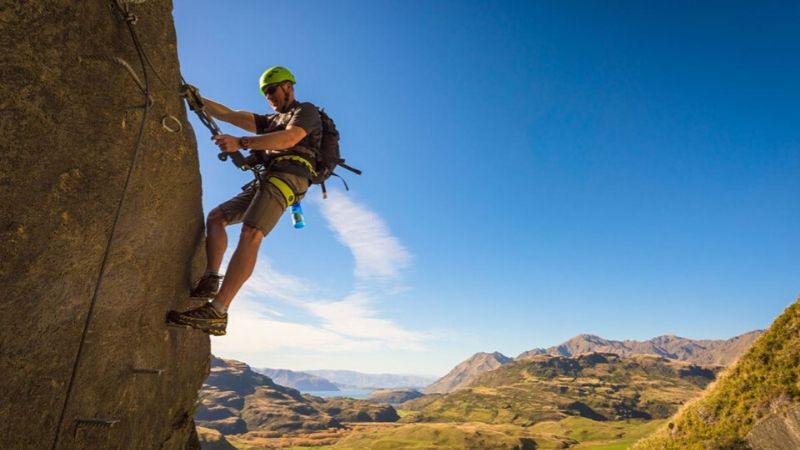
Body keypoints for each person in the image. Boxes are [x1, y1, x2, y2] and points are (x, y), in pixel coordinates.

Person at [169, 66, 322, 336]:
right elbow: (230, 115)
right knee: (217, 217)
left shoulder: (305, 111)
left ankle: (218, 311)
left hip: (291, 176)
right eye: (265, 93)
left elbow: (291, 138)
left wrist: (240, 143)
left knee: (252, 231)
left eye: (272, 90)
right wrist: (197, 98)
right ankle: (211, 279)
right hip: (270, 177)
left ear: (288, 86)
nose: (269, 97)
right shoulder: (271, 120)